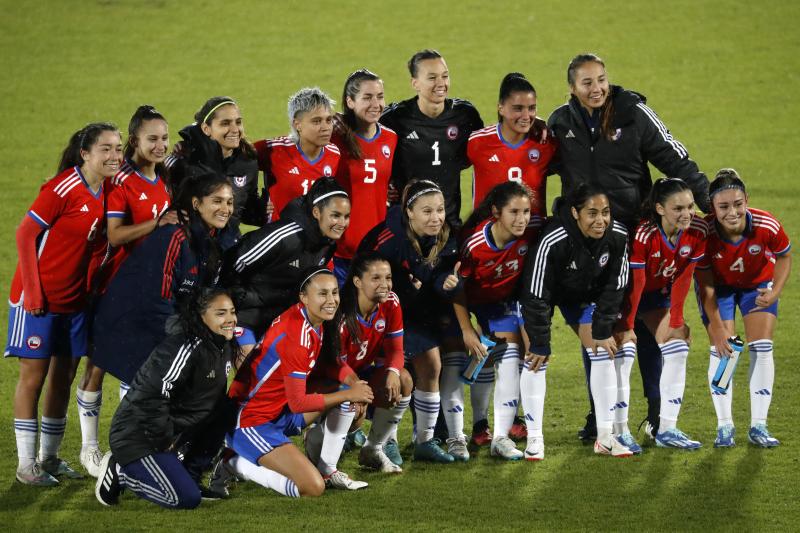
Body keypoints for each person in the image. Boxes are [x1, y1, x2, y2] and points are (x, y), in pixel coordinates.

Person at [547, 52, 710, 438]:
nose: (596, 88)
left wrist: (710, 205)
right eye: (586, 82)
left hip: (636, 240)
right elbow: (540, 168)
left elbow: (676, 159)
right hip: (588, 246)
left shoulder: (633, 113)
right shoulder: (560, 123)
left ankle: (655, 416)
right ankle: (598, 416)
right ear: (572, 88)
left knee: (647, 322)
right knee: (599, 329)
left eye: (601, 79)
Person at [7, 123, 121, 485]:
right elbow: (25, 233)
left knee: (63, 377)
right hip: (38, 299)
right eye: (105, 149)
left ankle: (51, 458)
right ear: (85, 153)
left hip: (74, 300)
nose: (114, 156)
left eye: (117, 149)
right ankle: (27, 465)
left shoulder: (108, 191)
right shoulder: (63, 187)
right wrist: (34, 291)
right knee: (33, 377)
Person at [76, 105, 178, 477]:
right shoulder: (122, 182)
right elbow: (115, 235)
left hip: (149, 292)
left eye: (164, 138)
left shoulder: (163, 179)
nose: (160, 145)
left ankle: (125, 449)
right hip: (114, 290)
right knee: (98, 367)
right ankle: (89, 448)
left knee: (137, 371)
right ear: (134, 141)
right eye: (152, 139)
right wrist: (158, 222)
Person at [222, 269, 374, 497]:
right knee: (312, 488)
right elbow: (298, 403)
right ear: (303, 296)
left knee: (341, 390)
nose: (331, 300)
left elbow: (326, 366)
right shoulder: (296, 335)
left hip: (277, 413)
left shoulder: (311, 320)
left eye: (334, 292)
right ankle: (231, 462)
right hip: (250, 421)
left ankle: (328, 470)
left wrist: (353, 383)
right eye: (322, 294)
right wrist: (350, 394)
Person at [95, 289, 239, 509]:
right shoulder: (184, 347)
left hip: (170, 431)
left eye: (232, 312)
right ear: (202, 317)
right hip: (139, 435)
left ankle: (190, 475)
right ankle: (120, 471)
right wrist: (164, 440)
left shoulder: (221, 345)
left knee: (225, 408)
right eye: (220, 313)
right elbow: (150, 398)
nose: (230, 319)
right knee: (183, 499)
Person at [519, 184, 634, 457]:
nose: (601, 220)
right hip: (543, 296)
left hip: (583, 297)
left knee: (603, 350)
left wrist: (603, 328)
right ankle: (535, 440)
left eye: (605, 213)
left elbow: (616, 286)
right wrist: (539, 341)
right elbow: (536, 294)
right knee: (536, 357)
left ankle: (605, 437)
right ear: (575, 213)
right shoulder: (553, 239)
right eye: (592, 213)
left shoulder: (617, 235)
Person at [91, 171, 234, 385]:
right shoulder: (175, 237)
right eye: (217, 201)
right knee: (152, 391)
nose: (225, 209)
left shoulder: (213, 239)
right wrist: (183, 340)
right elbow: (156, 299)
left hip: (158, 322)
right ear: (196, 203)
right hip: (133, 324)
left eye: (230, 202)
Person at [359, 179, 462, 463]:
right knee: (396, 375)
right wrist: (405, 287)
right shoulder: (388, 240)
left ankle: (424, 441)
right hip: (382, 313)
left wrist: (444, 282)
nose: (436, 217)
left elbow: (438, 273)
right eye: (427, 211)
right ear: (410, 213)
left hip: (416, 312)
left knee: (432, 365)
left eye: (440, 210)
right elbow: (368, 279)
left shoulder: (445, 235)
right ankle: (386, 439)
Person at [695, 169, 791, 448]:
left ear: (746, 199)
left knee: (762, 346)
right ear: (712, 207)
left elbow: (784, 255)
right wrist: (717, 328)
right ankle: (725, 427)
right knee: (727, 351)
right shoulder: (705, 233)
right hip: (719, 290)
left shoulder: (766, 224)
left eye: (738, 204)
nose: (732, 212)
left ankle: (759, 426)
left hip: (756, 286)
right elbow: (705, 288)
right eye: (723, 206)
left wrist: (775, 291)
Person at [448, 181, 542, 460]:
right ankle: (481, 425)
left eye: (526, 211)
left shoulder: (530, 233)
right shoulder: (475, 246)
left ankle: (497, 433)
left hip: (504, 304)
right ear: (495, 213)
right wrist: (467, 329)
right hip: (469, 302)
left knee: (510, 354)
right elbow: (457, 288)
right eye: (514, 211)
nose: (522, 218)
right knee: (481, 353)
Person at [619, 178, 708, 451]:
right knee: (624, 352)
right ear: (659, 208)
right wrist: (628, 324)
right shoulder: (645, 235)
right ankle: (616, 429)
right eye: (678, 208)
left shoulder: (698, 229)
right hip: (626, 297)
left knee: (678, 343)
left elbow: (684, 278)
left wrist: (677, 321)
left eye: (690, 206)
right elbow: (636, 284)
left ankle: (666, 428)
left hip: (658, 298)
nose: (687, 214)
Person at [307, 251, 412, 473]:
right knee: (354, 412)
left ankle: (373, 449)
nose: (384, 284)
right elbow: (335, 364)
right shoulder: (342, 314)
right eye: (376, 278)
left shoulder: (391, 303)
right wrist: (356, 388)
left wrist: (392, 370)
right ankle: (316, 438)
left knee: (403, 379)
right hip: (325, 378)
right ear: (357, 281)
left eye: (388, 278)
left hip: (358, 375)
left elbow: (396, 348)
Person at [222, 178, 350, 359]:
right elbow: (234, 262)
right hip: (246, 316)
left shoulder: (327, 245)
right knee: (252, 372)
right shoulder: (285, 235)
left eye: (346, 216)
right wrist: (236, 299)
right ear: (316, 212)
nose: (342, 223)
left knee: (279, 378)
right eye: (335, 215)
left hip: (278, 321)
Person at [380, 49, 483, 229]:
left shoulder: (465, 115)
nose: (441, 83)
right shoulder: (395, 118)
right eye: (432, 78)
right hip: (405, 227)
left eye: (445, 76)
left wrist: (532, 125)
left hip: (448, 226)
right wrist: (384, 185)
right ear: (415, 83)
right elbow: (369, 149)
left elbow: (489, 145)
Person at [166, 96, 263, 247]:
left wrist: (264, 209)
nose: (235, 129)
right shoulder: (186, 160)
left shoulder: (247, 162)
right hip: (188, 244)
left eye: (238, 122)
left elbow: (244, 209)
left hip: (228, 243)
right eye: (225, 123)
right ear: (206, 129)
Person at [331, 69, 398, 284]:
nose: (375, 104)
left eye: (379, 97)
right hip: (339, 249)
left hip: (376, 248)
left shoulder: (390, 138)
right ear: (350, 101)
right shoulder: (333, 137)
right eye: (367, 98)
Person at [467, 72, 556, 219]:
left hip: (533, 235)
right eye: (518, 108)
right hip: (489, 236)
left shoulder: (545, 143)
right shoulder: (478, 142)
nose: (526, 116)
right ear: (501, 108)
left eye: (532, 108)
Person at [254, 87, 341, 222]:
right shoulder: (273, 150)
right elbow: (237, 161)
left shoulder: (334, 154)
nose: (325, 127)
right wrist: (252, 203)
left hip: (316, 239)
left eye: (328, 120)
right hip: (282, 239)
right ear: (297, 124)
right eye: (316, 121)